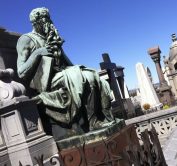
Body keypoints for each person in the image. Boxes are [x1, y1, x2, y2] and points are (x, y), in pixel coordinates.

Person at [16, 7, 114, 140]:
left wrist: (78, 70)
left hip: (62, 74)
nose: (48, 22)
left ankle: (96, 119)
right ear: (35, 22)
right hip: (47, 82)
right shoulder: (26, 39)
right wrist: (38, 53)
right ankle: (93, 122)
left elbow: (68, 62)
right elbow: (21, 72)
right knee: (82, 76)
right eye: (44, 19)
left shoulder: (50, 37)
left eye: (48, 18)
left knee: (92, 75)